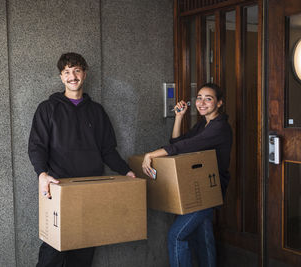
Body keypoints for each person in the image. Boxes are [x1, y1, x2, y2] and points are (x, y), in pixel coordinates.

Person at [28, 52, 135, 267]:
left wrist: (126, 171)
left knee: (83, 256)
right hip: (59, 189)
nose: (72, 76)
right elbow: (37, 146)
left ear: (84, 74)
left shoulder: (97, 111)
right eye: (67, 72)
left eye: (76, 70)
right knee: (51, 256)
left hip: (91, 191)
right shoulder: (48, 109)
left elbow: (108, 150)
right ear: (61, 77)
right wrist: (42, 174)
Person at [142, 83, 232, 267]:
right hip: (199, 188)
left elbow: (183, 147)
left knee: (176, 236)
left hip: (208, 190)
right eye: (199, 97)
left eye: (209, 98)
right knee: (203, 237)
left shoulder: (219, 127)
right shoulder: (204, 124)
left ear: (220, 103)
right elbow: (177, 141)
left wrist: (151, 154)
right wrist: (179, 117)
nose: (202, 102)